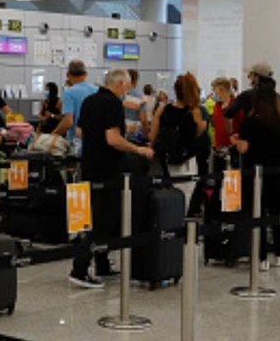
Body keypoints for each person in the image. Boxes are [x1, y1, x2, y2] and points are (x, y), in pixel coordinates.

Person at [69, 69, 156, 289]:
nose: (127, 91)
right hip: (108, 169)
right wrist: (137, 150)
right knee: (103, 220)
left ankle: (103, 265)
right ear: (119, 83)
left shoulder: (89, 101)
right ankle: (79, 270)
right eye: (126, 87)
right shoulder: (113, 104)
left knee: (96, 216)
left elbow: (80, 132)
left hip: (89, 165)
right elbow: (113, 139)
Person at [231, 72, 280, 269]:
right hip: (277, 170)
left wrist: (234, 141)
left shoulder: (252, 121)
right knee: (278, 213)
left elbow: (245, 147)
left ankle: (261, 258)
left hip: (255, 171)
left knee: (258, 213)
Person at [150, 72, 207, 205]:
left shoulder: (162, 109)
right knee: (184, 199)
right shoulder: (195, 112)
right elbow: (197, 135)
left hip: (164, 160)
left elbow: (152, 136)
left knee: (165, 200)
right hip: (186, 160)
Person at [55, 59, 98, 144]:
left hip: (77, 142)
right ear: (86, 74)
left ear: (68, 74)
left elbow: (68, 122)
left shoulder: (69, 93)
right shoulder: (97, 90)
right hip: (96, 141)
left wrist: (54, 134)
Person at [122, 70, 145, 141]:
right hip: (134, 134)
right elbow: (144, 121)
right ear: (136, 81)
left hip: (120, 134)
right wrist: (146, 136)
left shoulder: (119, 94)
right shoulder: (140, 97)